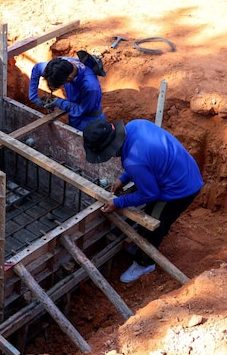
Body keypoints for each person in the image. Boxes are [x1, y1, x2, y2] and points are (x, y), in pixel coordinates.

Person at [82, 118, 203, 283]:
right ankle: (139, 248)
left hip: (180, 190)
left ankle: (144, 262)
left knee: (153, 222)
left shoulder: (134, 162)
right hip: (184, 170)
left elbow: (150, 194)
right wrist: (124, 178)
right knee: (150, 211)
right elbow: (145, 160)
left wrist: (118, 203)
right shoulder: (134, 125)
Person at [28, 56, 105, 131]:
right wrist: (34, 98)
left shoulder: (90, 87)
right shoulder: (60, 65)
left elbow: (80, 110)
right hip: (73, 116)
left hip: (89, 121)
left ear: (69, 78)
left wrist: (59, 102)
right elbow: (37, 68)